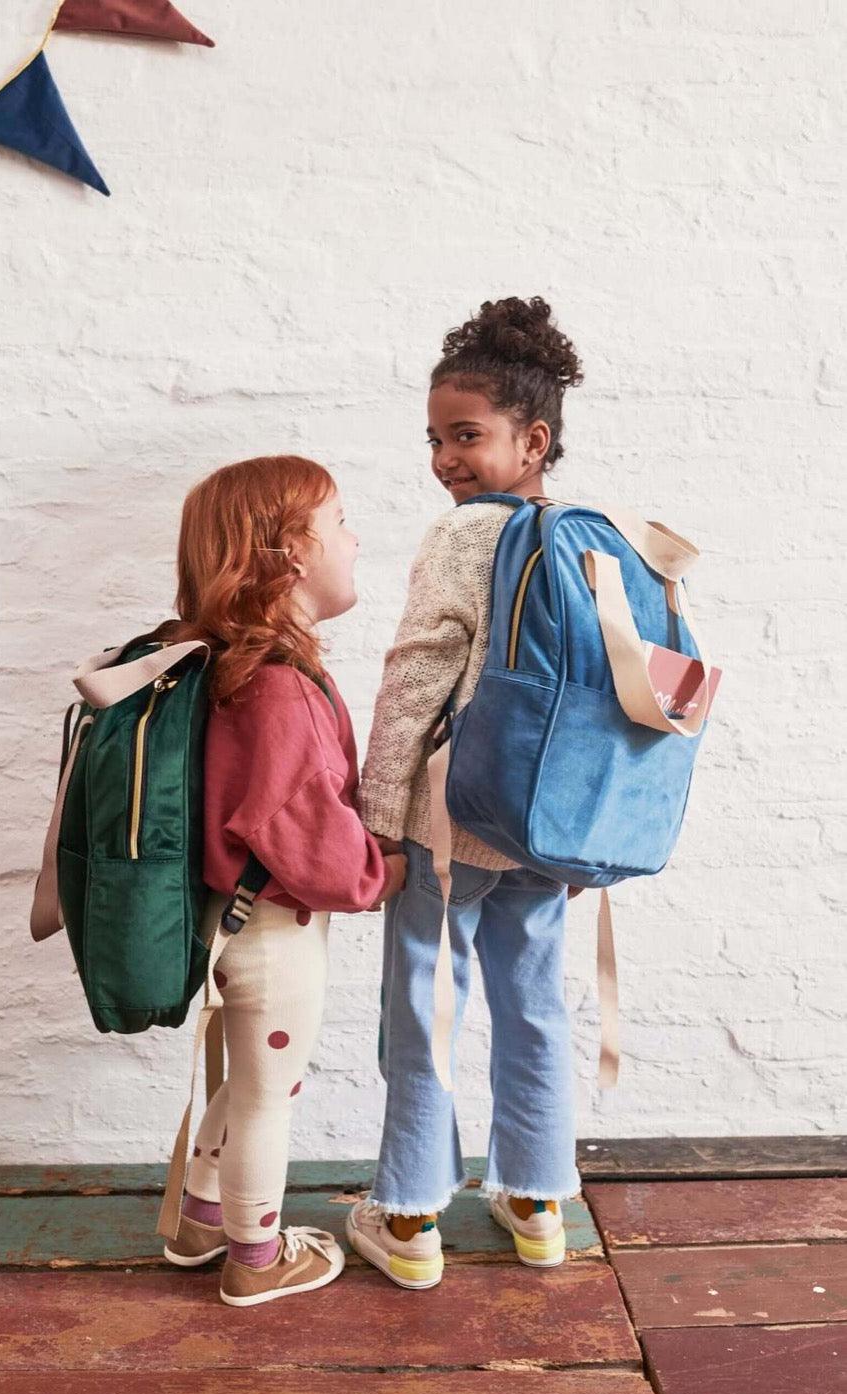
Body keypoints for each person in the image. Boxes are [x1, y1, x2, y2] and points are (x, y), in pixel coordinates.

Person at [347, 297, 585, 1289]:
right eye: (437, 438)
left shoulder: (461, 535)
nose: (446, 457)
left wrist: (375, 812)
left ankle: (406, 1218)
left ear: (534, 438)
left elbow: (415, 671)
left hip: (450, 821)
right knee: (533, 1004)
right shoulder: (579, 536)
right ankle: (535, 1200)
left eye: (467, 435)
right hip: (546, 820)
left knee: (423, 1001)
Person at [159, 456, 406, 1307]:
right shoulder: (277, 689)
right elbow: (304, 837)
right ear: (292, 552)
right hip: (272, 930)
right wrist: (387, 872)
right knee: (272, 1095)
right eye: (339, 523)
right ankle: (256, 1261)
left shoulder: (229, 665)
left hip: (230, 922)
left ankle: (198, 1221)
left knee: (247, 1082)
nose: (355, 538)